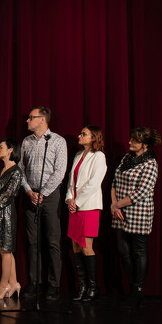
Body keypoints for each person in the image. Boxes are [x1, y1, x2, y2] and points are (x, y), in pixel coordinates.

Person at [19, 106, 68, 299]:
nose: (27, 121)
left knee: (52, 241)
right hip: (30, 194)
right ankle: (34, 282)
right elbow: (21, 168)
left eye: (31, 118)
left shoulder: (57, 141)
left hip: (51, 196)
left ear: (42, 120)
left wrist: (43, 193)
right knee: (32, 242)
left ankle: (53, 285)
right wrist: (29, 191)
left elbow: (60, 171)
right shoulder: (26, 141)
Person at [110, 127, 162, 306]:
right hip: (119, 212)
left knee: (139, 252)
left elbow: (141, 192)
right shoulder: (126, 158)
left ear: (145, 145)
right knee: (124, 252)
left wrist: (117, 204)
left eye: (135, 140)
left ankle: (137, 289)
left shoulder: (150, 164)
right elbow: (114, 181)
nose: (130, 142)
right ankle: (133, 285)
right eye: (131, 139)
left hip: (138, 213)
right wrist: (114, 204)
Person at [65, 125, 107, 301]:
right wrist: (69, 199)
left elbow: (94, 182)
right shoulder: (77, 155)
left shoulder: (99, 156)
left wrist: (78, 202)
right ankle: (82, 286)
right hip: (75, 206)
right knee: (75, 246)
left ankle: (92, 287)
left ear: (93, 138)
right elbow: (70, 181)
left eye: (84, 134)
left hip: (88, 206)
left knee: (86, 246)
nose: (79, 135)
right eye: (80, 132)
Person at [0, 138, 23, 299]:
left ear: (10, 150)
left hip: (7, 215)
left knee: (5, 250)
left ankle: (4, 286)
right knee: (4, 249)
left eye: (1, 147)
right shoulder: (0, 170)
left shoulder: (16, 171)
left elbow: (9, 194)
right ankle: (14, 283)